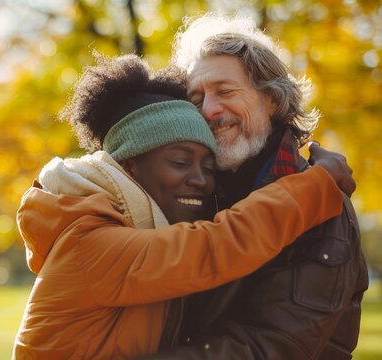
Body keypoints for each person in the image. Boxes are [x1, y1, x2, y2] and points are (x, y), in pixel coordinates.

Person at [12, 53, 352, 359]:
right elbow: (215, 246)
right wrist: (318, 183)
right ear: (129, 165)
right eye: (179, 161)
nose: (202, 180)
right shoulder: (91, 243)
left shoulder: (134, 223)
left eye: (208, 167)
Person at [143, 13, 368, 359]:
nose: (209, 110)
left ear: (273, 100)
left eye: (225, 91)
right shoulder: (200, 194)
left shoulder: (322, 207)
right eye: (197, 97)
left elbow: (272, 348)